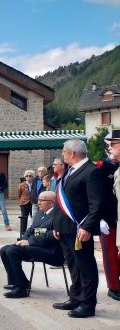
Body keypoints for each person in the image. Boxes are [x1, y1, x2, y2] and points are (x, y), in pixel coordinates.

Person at [52, 139, 105, 318]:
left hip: (80, 229)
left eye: (64, 151)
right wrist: (56, 224)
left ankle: (88, 304)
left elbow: (96, 204)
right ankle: (75, 297)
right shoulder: (70, 171)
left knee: (86, 267)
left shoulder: (91, 172)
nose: (62, 154)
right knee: (74, 266)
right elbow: (63, 200)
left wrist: (88, 227)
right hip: (65, 228)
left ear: (73, 153)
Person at [0, 191, 63, 298]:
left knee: (12, 251)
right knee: (4, 250)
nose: (38, 203)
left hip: (52, 251)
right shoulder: (41, 213)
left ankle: (21, 289)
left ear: (52, 203)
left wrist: (29, 241)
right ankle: (17, 282)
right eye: (38, 200)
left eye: (42, 200)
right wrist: (24, 240)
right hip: (37, 246)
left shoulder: (58, 215)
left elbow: (50, 236)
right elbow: (31, 230)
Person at [101, 129, 120, 301]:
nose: (112, 148)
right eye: (111, 145)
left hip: (118, 216)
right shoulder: (102, 167)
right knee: (110, 253)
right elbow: (96, 195)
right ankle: (113, 286)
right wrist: (98, 217)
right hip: (107, 218)